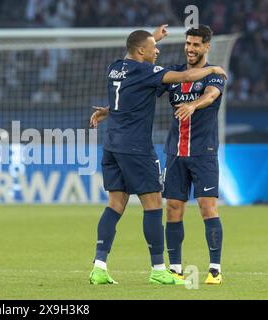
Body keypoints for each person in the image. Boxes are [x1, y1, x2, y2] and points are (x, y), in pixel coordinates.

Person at [88, 25, 227, 285]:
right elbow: (183, 76)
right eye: (154, 49)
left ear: (206, 46)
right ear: (142, 51)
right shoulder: (153, 71)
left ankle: (99, 266)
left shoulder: (116, 66)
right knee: (158, 207)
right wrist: (212, 68)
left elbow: (133, 82)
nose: (158, 52)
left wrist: (152, 38)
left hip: (121, 145)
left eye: (196, 44)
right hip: (144, 149)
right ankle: (161, 269)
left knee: (116, 205)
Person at [156, 25, 225, 284]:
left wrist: (193, 105)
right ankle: (174, 269)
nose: (191, 48)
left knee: (208, 208)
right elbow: (143, 89)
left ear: (207, 46)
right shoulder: (175, 75)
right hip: (175, 152)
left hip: (203, 152)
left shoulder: (214, 76)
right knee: (173, 209)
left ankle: (215, 270)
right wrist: (110, 108)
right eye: (188, 43)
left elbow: (210, 96)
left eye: (196, 45)